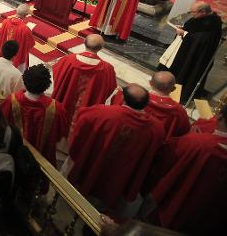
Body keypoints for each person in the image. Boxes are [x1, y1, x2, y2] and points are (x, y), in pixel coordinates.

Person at [65, 84, 165, 215]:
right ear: (146, 103)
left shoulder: (101, 113)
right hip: (120, 177)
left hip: (94, 164)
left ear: (123, 98)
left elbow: (81, 125)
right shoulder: (156, 129)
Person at [140, 104, 227, 235]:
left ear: (219, 115)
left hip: (170, 208)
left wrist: (189, 138)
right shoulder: (200, 142)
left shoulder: (197, 143)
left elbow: (164, 157)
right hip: (209, 219)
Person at [0, 64, 68, 166]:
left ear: (25, 81)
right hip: (43, 157)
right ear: (47, 85)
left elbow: (2, 122)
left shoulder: (11, 101)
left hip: (14, 153)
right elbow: (60, 134)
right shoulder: (56, 108)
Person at [51, 34, 117, 134]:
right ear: (101, 48)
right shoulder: (107, 69)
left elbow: (57, 75)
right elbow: (109, 88)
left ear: (84, 43)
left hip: (65, 103)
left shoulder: (68, 60)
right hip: (86, 111)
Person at [160, 1, 222, 102]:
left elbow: (201, 41)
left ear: (203, 12)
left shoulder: (212, 25)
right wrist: (183, 28)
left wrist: (184, 34)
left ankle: (178, 95)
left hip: (195, 57)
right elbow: (193, 29)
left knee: (185, 73)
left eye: (193, 12)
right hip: (186, 51)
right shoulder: (201, 17)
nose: (192, 14)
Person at [113, 71, 189, 140]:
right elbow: (182, 136)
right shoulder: (180, 112)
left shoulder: (133, 97)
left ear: (150, 83)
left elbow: (115, 112)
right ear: (173, 89)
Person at [0, 4, 34, 71]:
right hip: (17, 57)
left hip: (5, 52)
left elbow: (1, 37)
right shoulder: (25, 29)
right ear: (26, 15)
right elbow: (30, 44)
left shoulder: (5, 22)